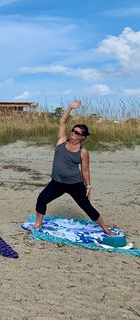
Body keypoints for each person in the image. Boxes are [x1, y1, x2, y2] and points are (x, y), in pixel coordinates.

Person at [33, 100, 116, 235]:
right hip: (57, 183)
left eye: (77, 132)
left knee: (87, 207)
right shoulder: (61, 141)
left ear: (82, 137)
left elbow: (85, 170)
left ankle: (106, 229)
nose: (74, 132)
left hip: (74, 184)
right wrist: (70, 108)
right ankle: (38, 223)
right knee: (41, 199)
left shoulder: (83, 152)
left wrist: (88, 186)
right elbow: (62, 123)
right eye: (74, 130)